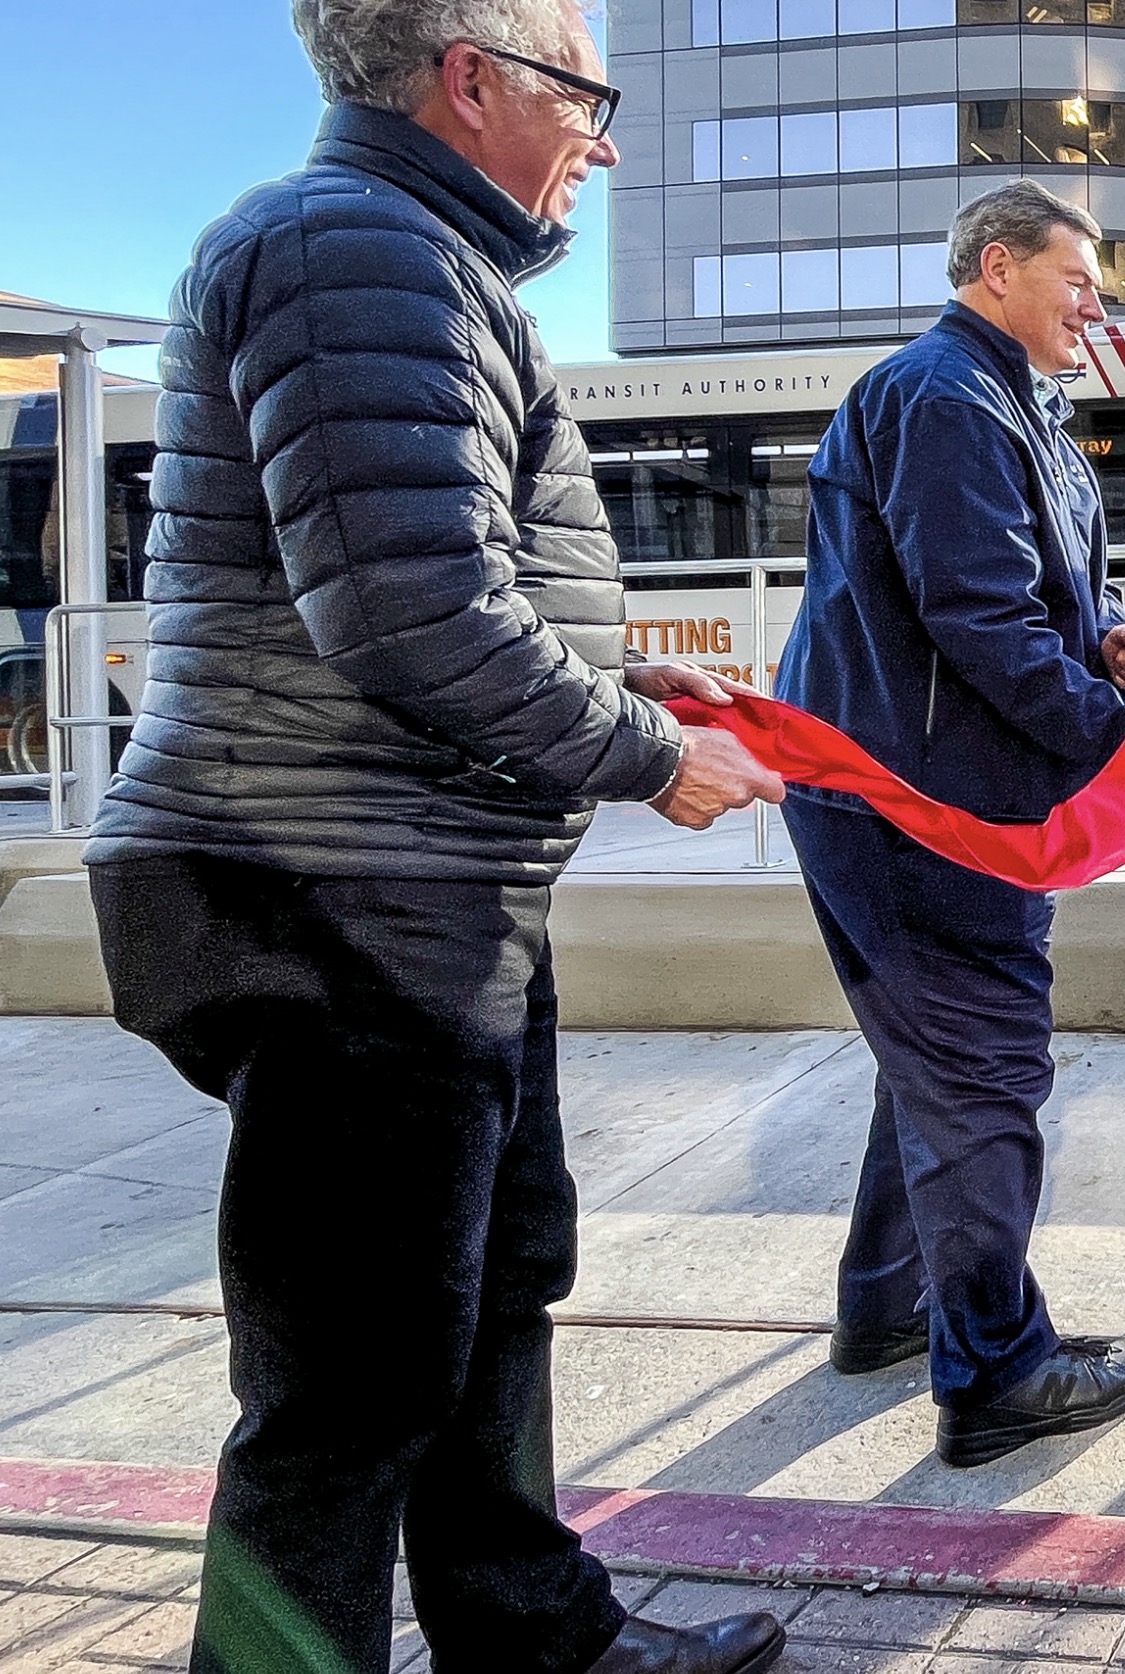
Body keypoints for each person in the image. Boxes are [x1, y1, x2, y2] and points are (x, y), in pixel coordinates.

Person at [81, 4, 790, 1672]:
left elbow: (424, 563)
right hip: (336, 894)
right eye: (581, 91)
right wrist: (638, 753)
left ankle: (530, 1630)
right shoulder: (352, 247)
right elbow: (402, 609)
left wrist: (627, 660)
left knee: (488, 1286)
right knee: (348, 1386)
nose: (600, 140)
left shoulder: (404, 257)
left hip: (417, 888)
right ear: (468, 76)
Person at [774, 180, 1125, 1468]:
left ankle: (886, 1309)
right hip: (925, 803)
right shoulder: (944, 395)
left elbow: (1027, 604)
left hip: (916, 793)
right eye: (1077, 277)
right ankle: (994, 1373)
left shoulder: (1004, 403)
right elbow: (981, 624)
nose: (1097, 302)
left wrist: (1114, 647)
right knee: (982, 1071)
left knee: (929, 1061)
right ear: (994, 268)